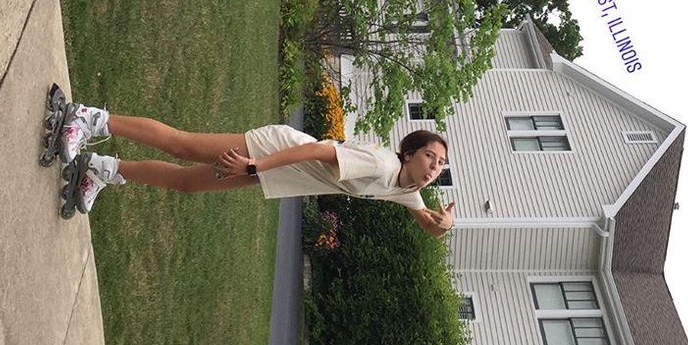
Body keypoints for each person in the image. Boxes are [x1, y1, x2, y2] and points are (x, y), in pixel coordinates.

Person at [58, 101, 455, 236]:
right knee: (185, 145)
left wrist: (443, 226)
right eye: (429, 158)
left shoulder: (406, 188)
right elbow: (317, 150)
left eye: (439, 166)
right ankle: (90, 119)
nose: (433, 168)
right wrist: (254, 163)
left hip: (270, 171)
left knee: (187, 184)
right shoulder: (382, 164)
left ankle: (101, 169)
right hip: (274, 152)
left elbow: (423, 219)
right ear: (408, 154)